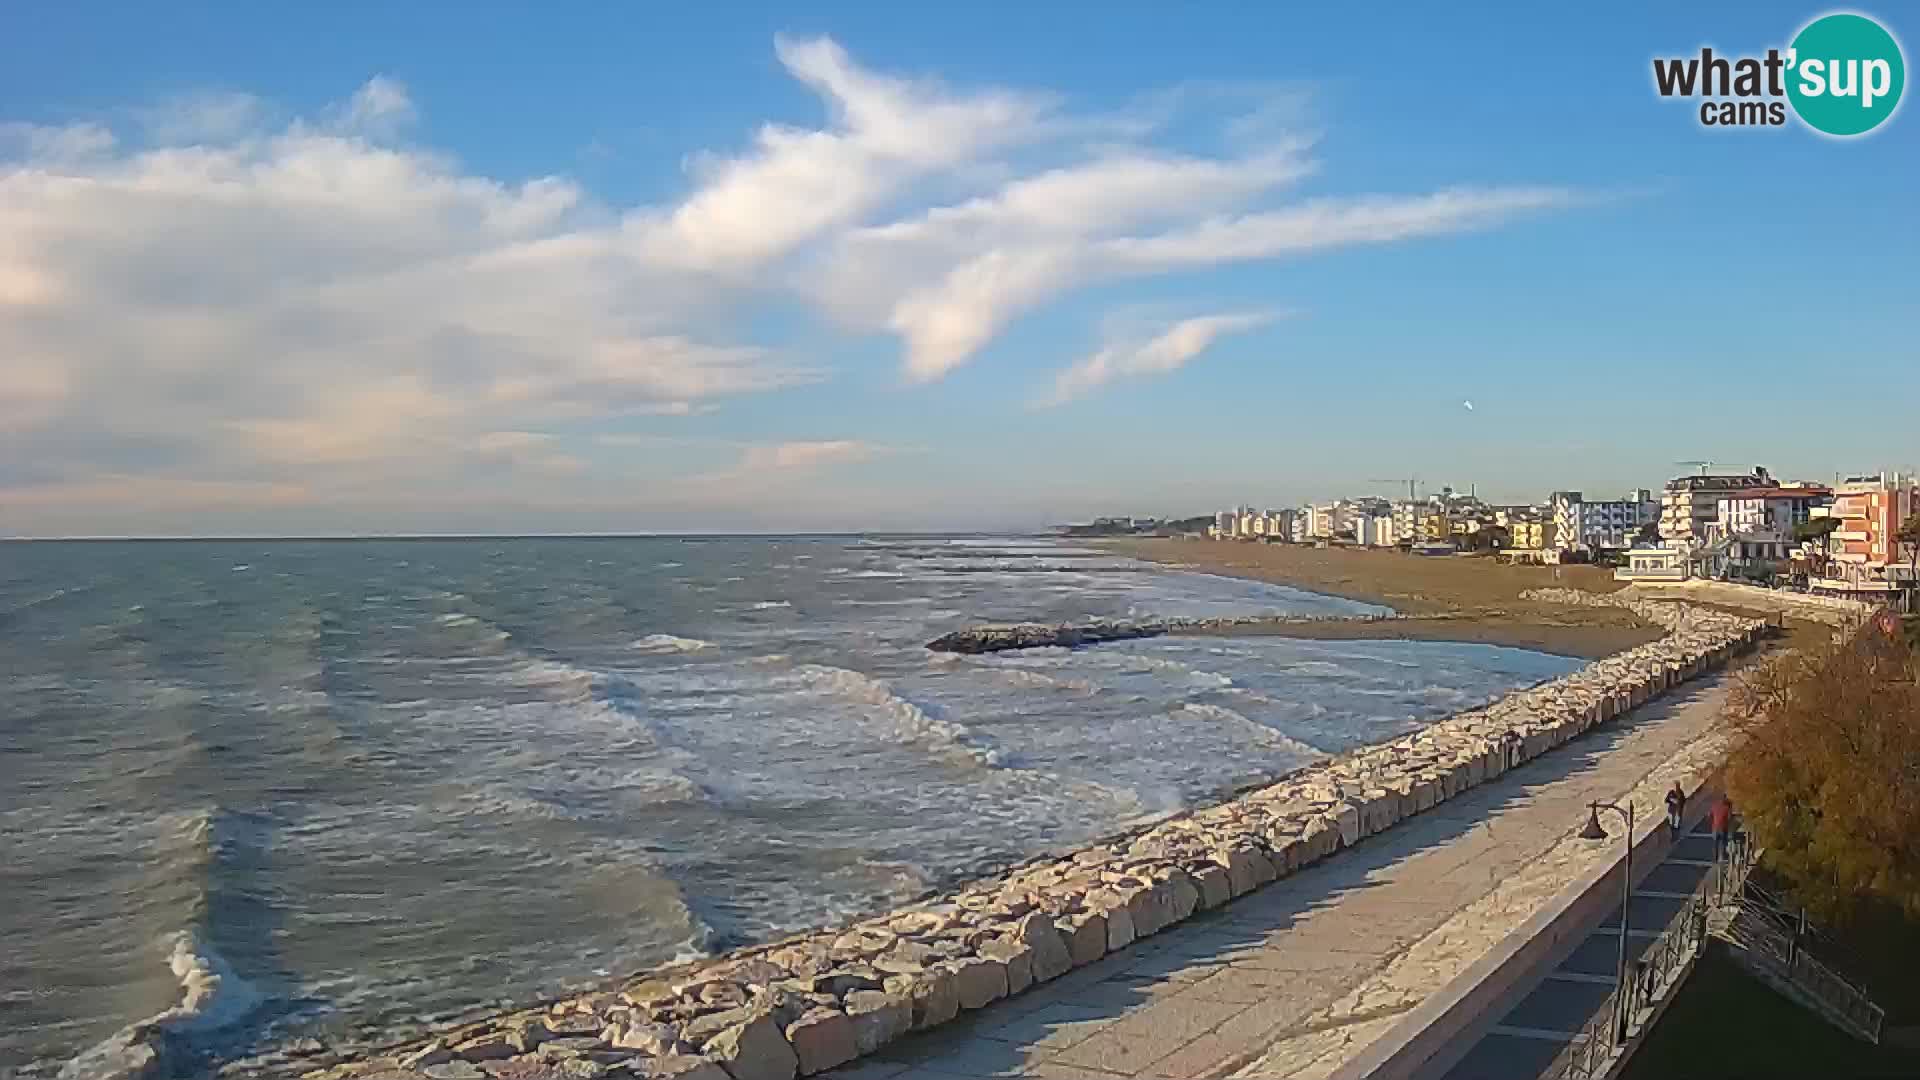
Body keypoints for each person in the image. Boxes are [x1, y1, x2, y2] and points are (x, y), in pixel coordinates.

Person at [1710, 793, 1733, 860]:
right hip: (1723, 828)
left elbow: (1709, 816)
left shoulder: (1714, 806)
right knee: (1723, 842)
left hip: (1715, 828)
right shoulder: (1726, 808)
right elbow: (1729, 818)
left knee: (1715, 844)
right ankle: (1723, 856)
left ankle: (1715, 858)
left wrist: (1713, 823)